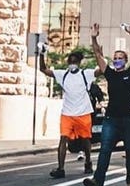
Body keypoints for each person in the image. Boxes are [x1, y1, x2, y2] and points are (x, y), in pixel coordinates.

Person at [83, 23, 130, 186]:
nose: (116, 60)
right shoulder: (109, 73)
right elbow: (97, 55)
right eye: (115, 58)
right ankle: (98, 181)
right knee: (105, 149)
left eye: (120, 58)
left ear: (125, 60)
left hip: (128, 118)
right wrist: (94, 37)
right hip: (111, 119)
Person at [40, 50, 98, 178]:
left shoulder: (86, 74)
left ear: (79, 62)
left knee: (85, 140)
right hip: (67, 113)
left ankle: (88, 161)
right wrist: (42, 54)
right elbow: (43, 69)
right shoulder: (63, 75)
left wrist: (99, 53)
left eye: (74, 61)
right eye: (70, 61)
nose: (72, 63)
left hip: (83, 113)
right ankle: (60, 168)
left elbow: (101, 70)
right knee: (63, 138)